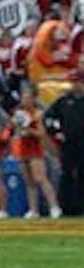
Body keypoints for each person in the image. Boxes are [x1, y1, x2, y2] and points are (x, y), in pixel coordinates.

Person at [10, 88, 62, 218]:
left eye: (28, 98)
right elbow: (15, 130)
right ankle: (33, 209)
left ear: (33, 100)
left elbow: (42, 134)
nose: (25, 101)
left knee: (41, 178)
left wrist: (29, 131)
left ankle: (54, 206)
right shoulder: (19, 114)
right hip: (23, 148)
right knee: (29, 181)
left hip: (35, 149)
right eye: (23, 98)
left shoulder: (38, 114)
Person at [44, 69, 84, 215]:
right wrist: (56, 132)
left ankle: (81, 206)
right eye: (72, 82)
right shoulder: (63, 101)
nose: (74, 85)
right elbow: (48, 118)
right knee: (66, 174)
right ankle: (66, 206)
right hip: (68, 143)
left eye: (77, 81)